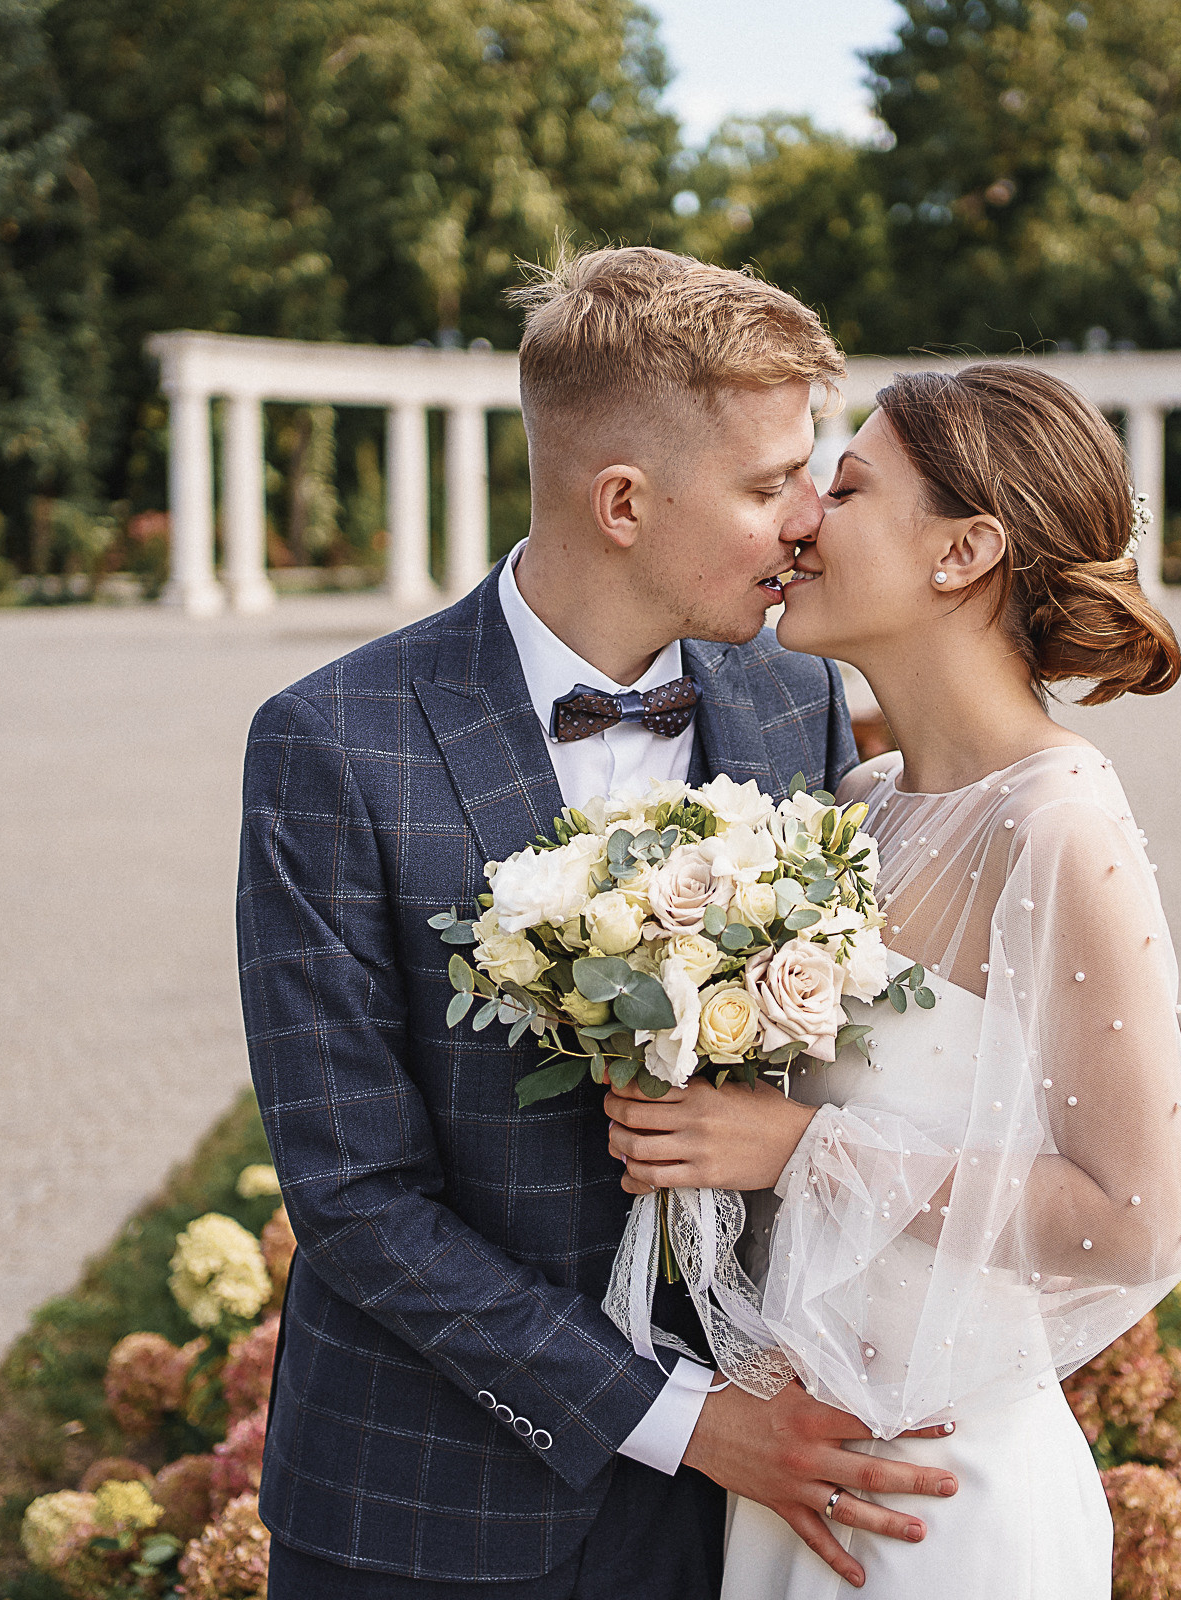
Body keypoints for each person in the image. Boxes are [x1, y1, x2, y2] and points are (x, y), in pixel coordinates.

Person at [237, 247, 960, 1600]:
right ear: (623, 502)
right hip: (419, 1505)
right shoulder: (330, 745)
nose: (811, 518)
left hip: (718, 1528)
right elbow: (355, 1198)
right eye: (767, 485)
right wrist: (694, 1423)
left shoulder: (784, 703)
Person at [602, 362, 1181, 1596]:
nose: (805, 514)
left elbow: (1138, 1223)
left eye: (852, 485)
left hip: (947, 1500)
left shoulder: (1060, 824)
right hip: (802, 1470)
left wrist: (796, 1148)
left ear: (963, 551)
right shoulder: (859, 807)